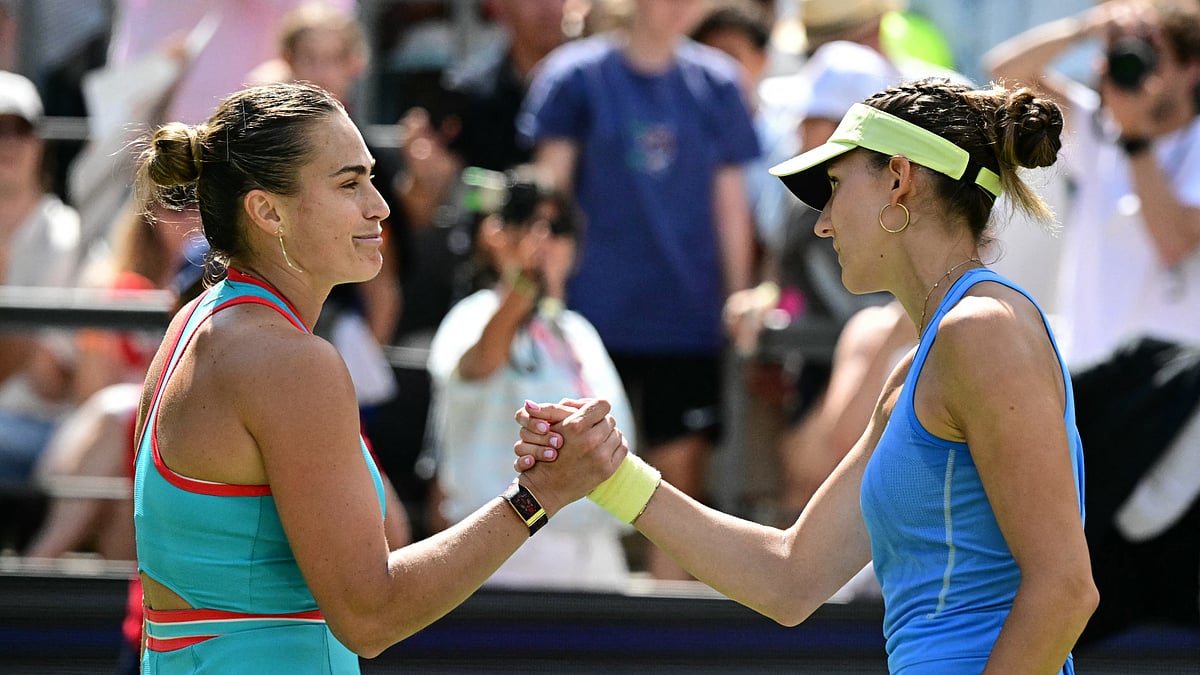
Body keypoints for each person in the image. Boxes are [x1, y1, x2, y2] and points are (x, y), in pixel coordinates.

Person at [516, 78, 1099, 672]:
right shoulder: (923, 366)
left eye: (836, 186)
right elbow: (789, 577)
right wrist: (609, 475)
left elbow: (1065, 588)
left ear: (899, 178)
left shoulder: (981, 331)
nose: (821, 223)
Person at [131, 81, 625, 671]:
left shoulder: (196, 324)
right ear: (266, 211)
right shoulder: (290, 363)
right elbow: (371, 616)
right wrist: (539, 496)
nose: (380, 206)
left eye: (370, 175)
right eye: (348, 183)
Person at [520, 0, 760, 579]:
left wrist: (741, 293)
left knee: (677, 482)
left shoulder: (719, 83)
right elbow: (548, 198)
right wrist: (543, 297)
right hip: (591, 317)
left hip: (686, 315)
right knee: (575, 467)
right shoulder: (573, 76)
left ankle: (666, 642)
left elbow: (731, 204)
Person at [426, 166, 636, 590]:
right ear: (495, 233)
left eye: (558, 228)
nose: (547, 242)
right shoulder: (472, 316)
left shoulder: (581, 331)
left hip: (596, 556)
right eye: (531, 223)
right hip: (504, 557)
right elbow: (479, 362)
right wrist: (522, 288)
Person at [984, 0, 1200, 369]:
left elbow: (1173, 242)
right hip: (1088, 370)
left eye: (1152, 54)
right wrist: (1085, 28)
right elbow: (1003, 74)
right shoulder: (1100, 127)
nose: (1134, 65)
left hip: (1171, 386)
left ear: (1192, 68)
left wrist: (1134, 138)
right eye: (1125, 52)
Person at [0, 70, 85, 492]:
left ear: (39, 142)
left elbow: (49, 382)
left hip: (39, 427)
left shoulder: (66, 232)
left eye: (21, 129)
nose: (9, 143)